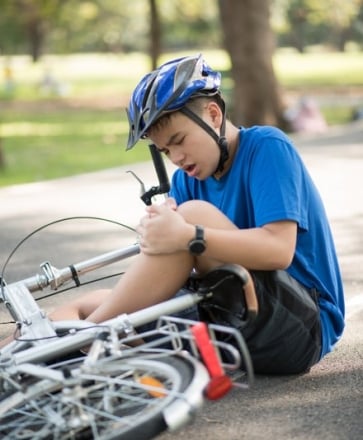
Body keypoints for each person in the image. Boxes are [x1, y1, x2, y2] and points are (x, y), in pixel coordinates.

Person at [50, 54, 345, 374]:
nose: (176, 157)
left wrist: (186, 235)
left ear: (214, 114)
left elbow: (278, 250)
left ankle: (84, 338)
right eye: (165, 151)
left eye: (179, 141)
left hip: (300, 328)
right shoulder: (185, 180)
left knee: (190, 216)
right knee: (77, 306)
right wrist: (157, 237)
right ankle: (23, 356)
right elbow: (177, 265)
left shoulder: (266, 148)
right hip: (227, 315)